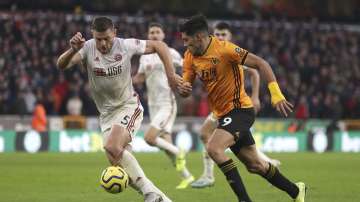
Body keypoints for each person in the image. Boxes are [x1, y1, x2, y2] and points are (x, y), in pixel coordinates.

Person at [171, 14, 306, 202]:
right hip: (222, 114)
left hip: (240, 109)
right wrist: (183, 88)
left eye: (187, 40)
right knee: (255, 165)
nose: (185, 44)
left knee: (214, 148)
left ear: (199, 37)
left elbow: (261, 63)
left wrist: (276, 94)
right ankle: (296, 191)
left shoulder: (225, 49)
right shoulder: (190, 56)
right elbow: (186, 87)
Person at [57, 16, 174, 202]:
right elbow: (62, 64)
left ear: (115, 33)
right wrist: (73, 49)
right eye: (98, 39)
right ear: (93, 36)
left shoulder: (126, 45)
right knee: (118, 161)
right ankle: (161, 198)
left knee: (112, 146)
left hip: (128, 106)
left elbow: (160, 47)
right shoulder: (87, 48)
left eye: (107, 39)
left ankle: (150, 194)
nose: (103, 43)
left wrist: (172, 77)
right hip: (106, 114)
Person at [191, 21, 281, 188]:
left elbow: (255, 71)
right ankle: (265, 164)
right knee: (207, 135)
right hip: (220, 107)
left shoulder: (231, 51)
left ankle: (210, 175)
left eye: (223, 34)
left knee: (211, 137)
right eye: (217, 34)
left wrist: (255, 97)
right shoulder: (209, 51)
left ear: (230, 36)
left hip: (235, 106)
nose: (220, 37)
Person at [133, 22, 194, 189]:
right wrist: (125, 82)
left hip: (167, 104)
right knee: (167, 145)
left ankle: (179, 152)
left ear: (163, 35)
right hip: (153, 106)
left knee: (149, 138)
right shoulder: (144, 56)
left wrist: (185, 83)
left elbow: (187, 68)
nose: (154, 35)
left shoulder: (170, 53)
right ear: (148, 35)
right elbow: (140, 77)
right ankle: (187, 177)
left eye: (157, 32)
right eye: (151, 32)